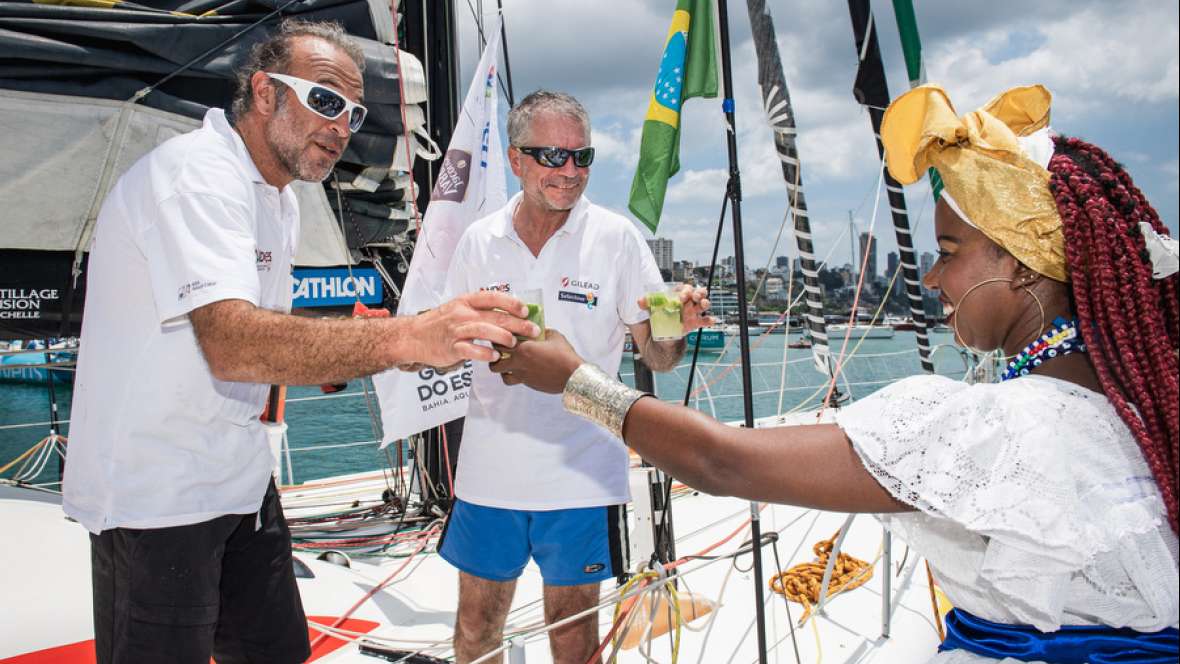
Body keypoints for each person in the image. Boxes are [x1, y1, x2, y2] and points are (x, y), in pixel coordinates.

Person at [492, 83, 1180, 662]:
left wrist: (575, 379)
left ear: (1022, 263)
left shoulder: (990, 427)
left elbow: (721, 461)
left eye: (948, 250)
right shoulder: (1143, 406)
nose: (933, 276)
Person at [61, 20, 536, 664]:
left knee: (278, 652)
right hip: (156, 496)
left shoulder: (279, 200)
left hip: (237, 481)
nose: (343, 126)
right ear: (264, 93)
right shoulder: (198, 176)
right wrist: (408, 339)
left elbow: (267, 344)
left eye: (354, 111)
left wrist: (344, 352)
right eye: (325, 100)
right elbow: (235, 345)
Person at [436, 90, 713, 664]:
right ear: (515, 160)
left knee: (573, 638)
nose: (570, 171)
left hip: (583, 475)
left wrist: (675, 327)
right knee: (474, 629)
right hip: (490, 475)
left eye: (581, 157)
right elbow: (444, 343)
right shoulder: (478, 241)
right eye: (552, 156)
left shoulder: (617, 240)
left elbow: (658, 358)